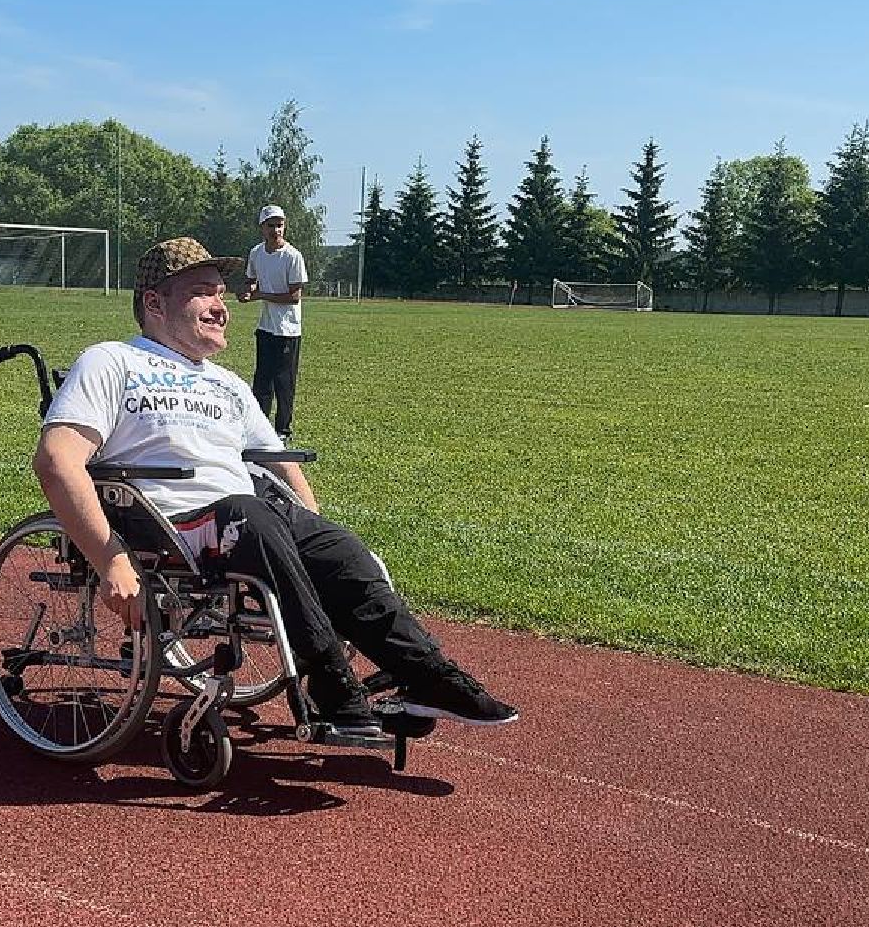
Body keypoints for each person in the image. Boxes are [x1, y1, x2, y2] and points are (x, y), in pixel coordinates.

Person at [32, 236, 517, 738]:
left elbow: (279, 460)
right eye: (203, 293)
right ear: (154, 302)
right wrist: (110, 559)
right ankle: (329, 686)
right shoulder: (111, 361)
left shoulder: (226, 383)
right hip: (170, 521)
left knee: (342, 551)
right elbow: (56, 460)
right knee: (252, 516)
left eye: (222, 294)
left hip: (247, 515)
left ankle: (429, 677)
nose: (222, 307)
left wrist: (314, 525)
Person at [238, 204, 307, 441]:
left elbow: (294, 296)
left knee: (284, 382)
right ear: (262, 228)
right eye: (271, 225)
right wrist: (246, 292)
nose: (276, 230)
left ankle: (283, 430)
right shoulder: (256, 253)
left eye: (279, 225)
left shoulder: (293, 256)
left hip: (287, 329)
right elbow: (251, 280)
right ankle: (259, 428)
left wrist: (260, 295)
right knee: (262, 380)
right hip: (266, 327)